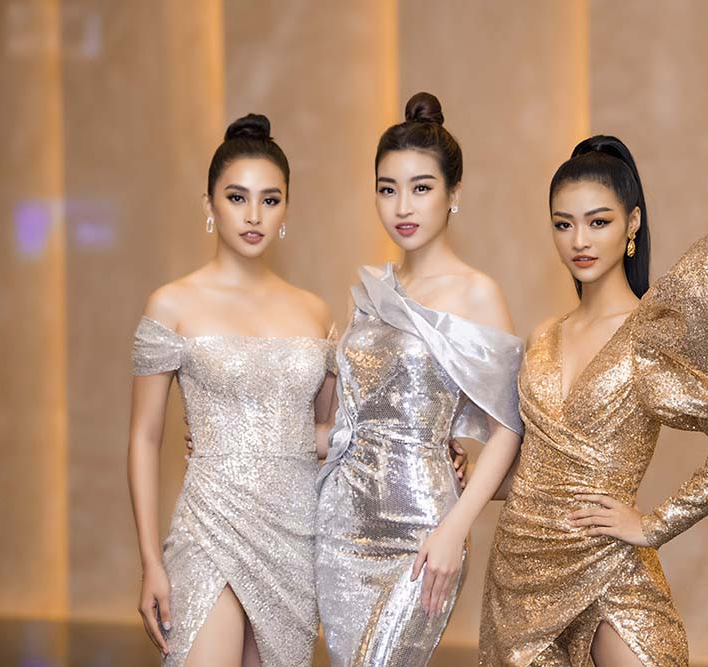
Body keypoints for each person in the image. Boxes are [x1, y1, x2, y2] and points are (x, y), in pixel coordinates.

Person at [479, 136, 708, 666]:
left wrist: (654, 524)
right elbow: (538, 473)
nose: (579, 240)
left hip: (611, 563)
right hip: (520, 575)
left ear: (632, 223)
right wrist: (466, 478)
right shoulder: (542, 338)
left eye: (598, 222)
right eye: (563, 224)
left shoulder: (650, 337)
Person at [315, 92, 524, 666]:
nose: (402, 206)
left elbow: (508, 429)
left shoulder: (477, 293)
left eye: (421, 187)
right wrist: (237, 439)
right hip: (341, 524)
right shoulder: (369, 294)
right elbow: (344, 426)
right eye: (387, 189)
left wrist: (455, 528)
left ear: (454, 194)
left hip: (424, 528)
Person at [127, 113, 336, 667]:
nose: (253, 215)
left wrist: (425, 444)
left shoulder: (315, 313)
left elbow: (328, 435)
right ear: (209, 204)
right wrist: (150, 561)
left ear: (286, 209)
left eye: (270, 200)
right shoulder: (172, 304)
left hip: (294, 536)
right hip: (208, 525)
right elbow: (145, 439)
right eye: (237, 197)